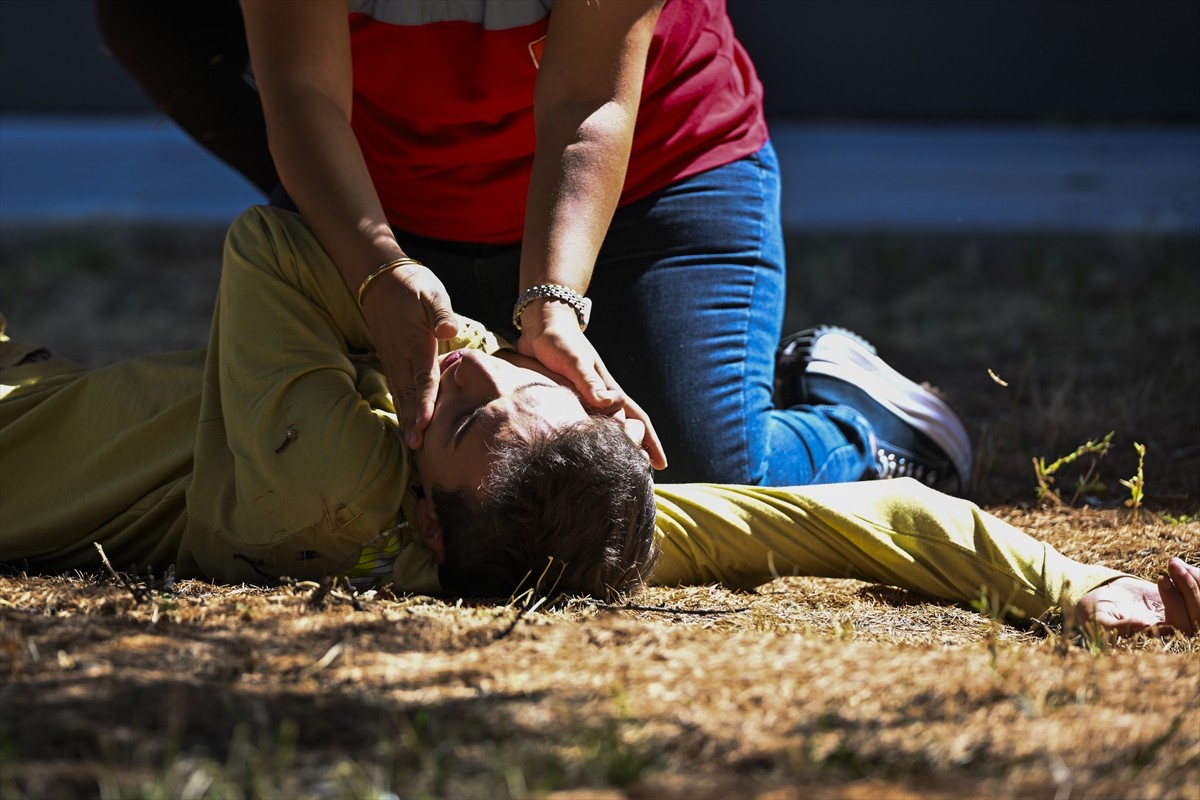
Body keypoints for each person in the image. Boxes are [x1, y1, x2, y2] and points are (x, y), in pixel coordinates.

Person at [2, 206, 1197, 637]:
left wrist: (417, 310)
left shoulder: (322, 474)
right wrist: (1081, 583)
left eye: (458, 415)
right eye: (513, 382)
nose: (469, 373)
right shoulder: (566, 526)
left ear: (426, 518)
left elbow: (267, 241)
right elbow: (869, 521)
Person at [95, 0, 973, 494]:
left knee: (686, 478)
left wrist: (552, 302)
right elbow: (302, 93)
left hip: (651, 173)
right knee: (333, 472)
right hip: (391, 190)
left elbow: (590, 101)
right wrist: (374, 264)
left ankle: (857, 425)